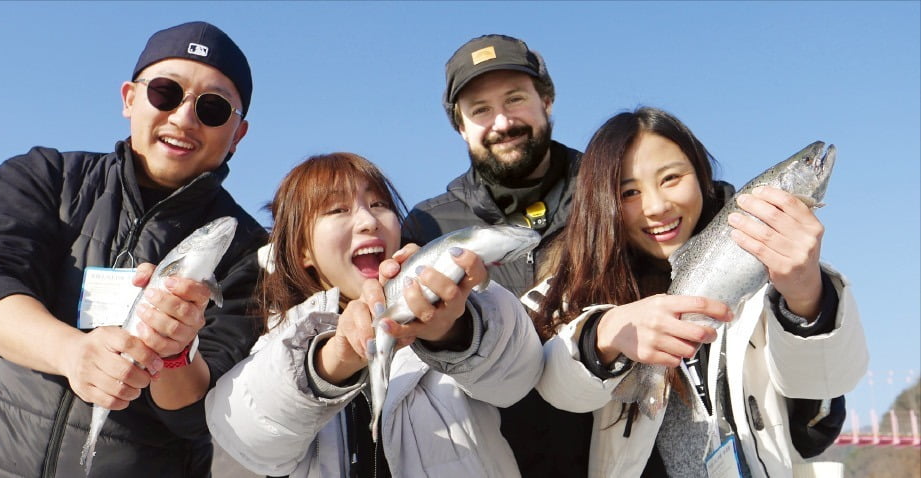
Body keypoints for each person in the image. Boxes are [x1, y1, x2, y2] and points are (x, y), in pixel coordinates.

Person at [0, 22, 267, 477]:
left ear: (239, 133)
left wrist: (174, 353)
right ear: (130, 98)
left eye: (212, 108)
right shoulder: (46, 177)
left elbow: (199, 413)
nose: (184, 119)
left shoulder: (252, 251)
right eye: (165, 93)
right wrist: (72, 353)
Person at [531, 106, 867, 477]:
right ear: (600, 201)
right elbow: (553, 386)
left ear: (701, 174)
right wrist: (605, 333)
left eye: (671, 178)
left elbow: (827, 385)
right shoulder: (570, 285)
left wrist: (805, 295)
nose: (657, 206)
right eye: (629, 191)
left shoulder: (768, 269)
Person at [205, 152, 542, 477]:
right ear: (302, 250)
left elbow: (516, 376)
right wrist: (332, 361)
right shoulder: (281, 341)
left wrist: (454, 331)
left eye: (379, 204)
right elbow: (248, 435)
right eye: (337, 209)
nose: (368, 221)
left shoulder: (463, 302)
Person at [400, 33, 592, 476]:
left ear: (547, 100)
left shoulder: (613, 190)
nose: (502, 122)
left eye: (515, 99)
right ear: (461, 126)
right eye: (480, 110)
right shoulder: (428, 227)